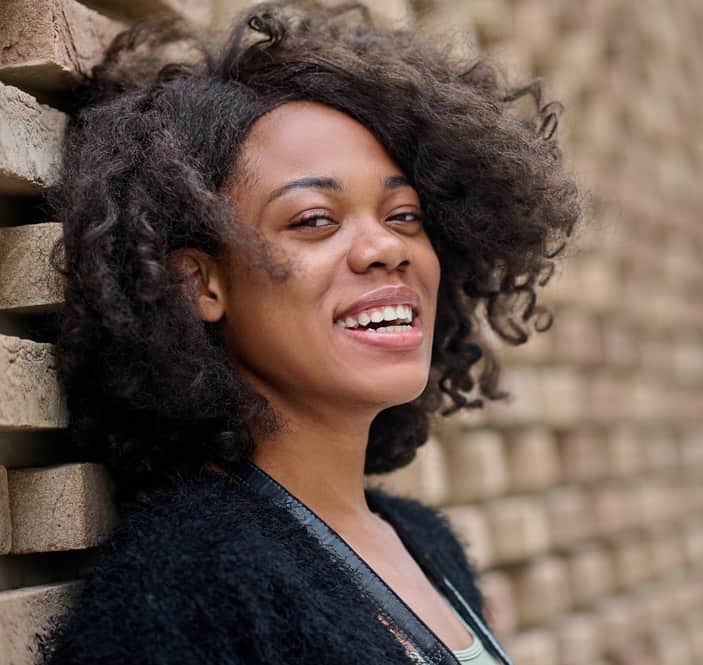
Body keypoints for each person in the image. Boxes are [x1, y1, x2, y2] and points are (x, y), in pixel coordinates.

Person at [37, 1, 580, 663]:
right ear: (200, 285)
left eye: (404, 214)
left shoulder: (421, 541)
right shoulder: (192, 579)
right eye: (315, 220)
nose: (385, 246)